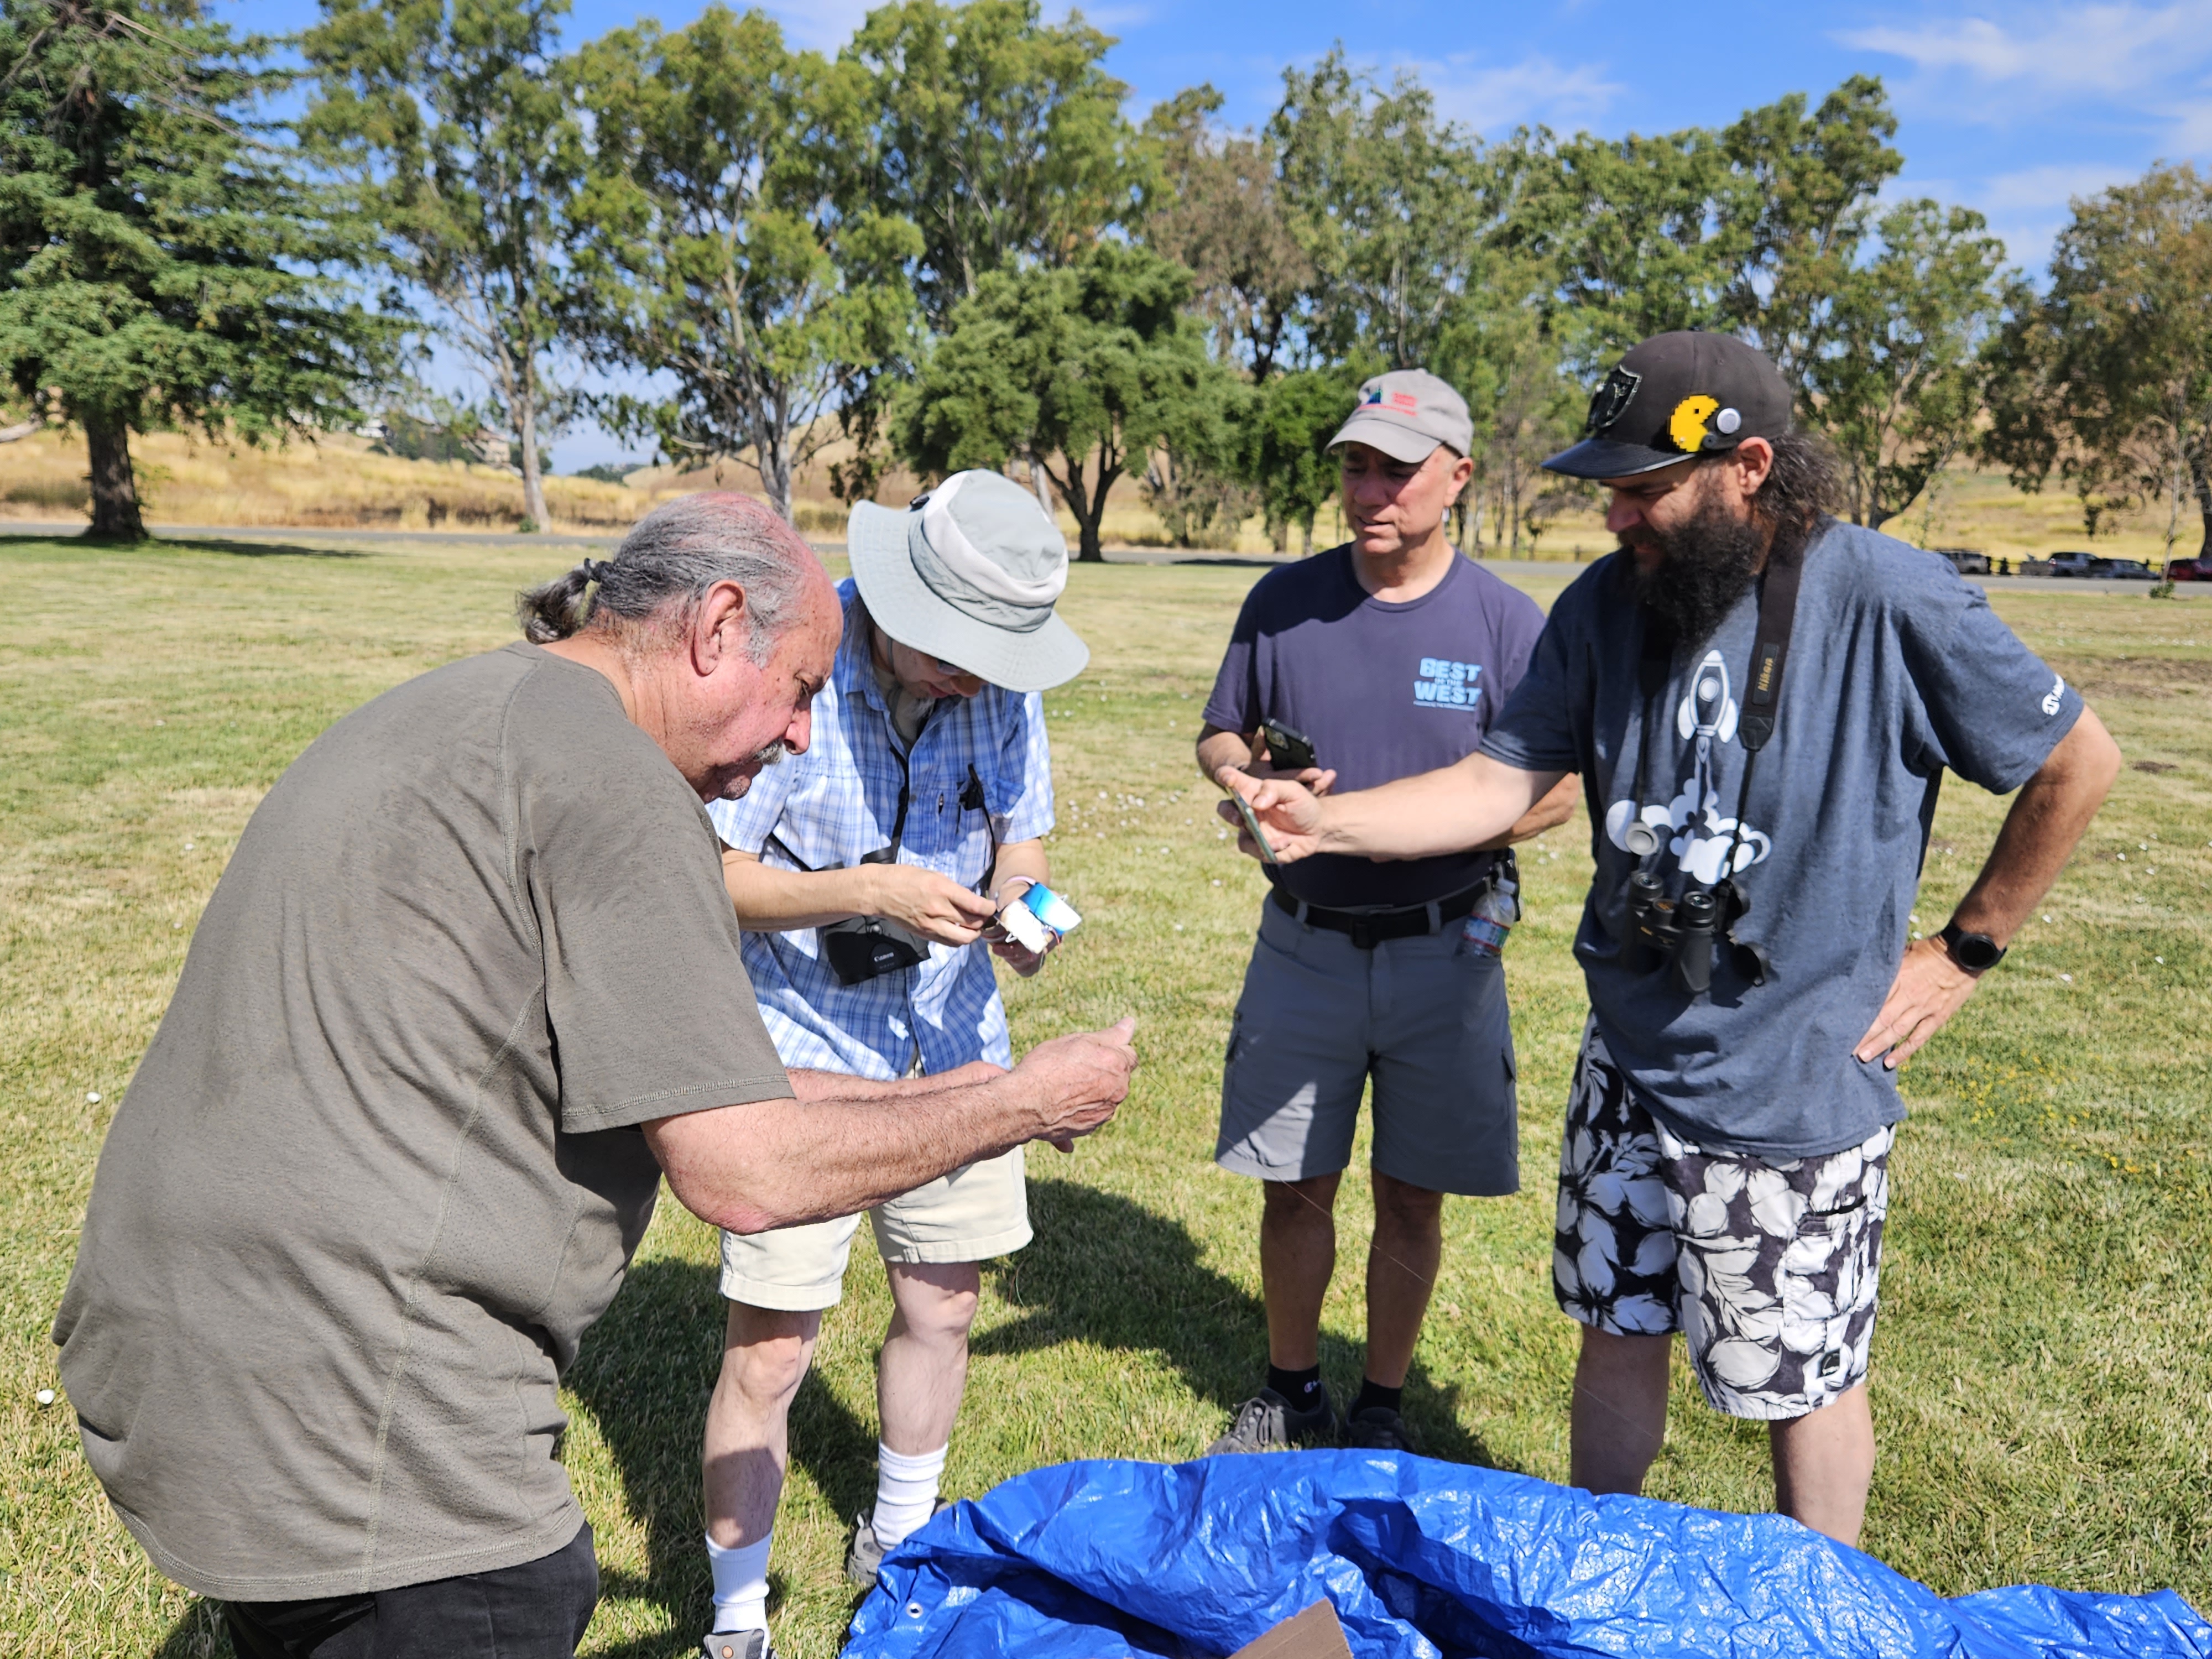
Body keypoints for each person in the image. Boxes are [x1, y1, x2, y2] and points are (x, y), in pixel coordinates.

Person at [50, 492, 1138, 1659]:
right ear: (717, 626)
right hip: (375, 1428)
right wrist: (1023, 1103)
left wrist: (974, 1097)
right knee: (511, 1598)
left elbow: (720, 1093)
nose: (802, 736)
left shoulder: (455, 706)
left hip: (193, 1363)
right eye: (799, 692)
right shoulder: (621, 788)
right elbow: (743, 1169)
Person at [1224, 332, 2119, 1545]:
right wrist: (1324, 820)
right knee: (1614, 1322)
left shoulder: (1883, 593)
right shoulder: (1603, 603)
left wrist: (1963, 952)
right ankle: (1601, 1573)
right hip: (1628, 1053)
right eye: (1610, 490)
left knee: (1801, 1375)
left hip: (1796, 1071)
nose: (1616, 518)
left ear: (1748, 468)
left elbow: (2077, 760)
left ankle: (1818, 1604)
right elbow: (1495, 784)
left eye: (1644, 490)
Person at [696, 472, 1088, 1656]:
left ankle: (901, 1550)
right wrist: (862, 892)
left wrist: (1021, 907)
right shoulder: (792, 666)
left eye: (994, 658)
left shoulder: (1001, 688)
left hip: (955, 1052)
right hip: (799, 1059)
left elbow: (1020, 834)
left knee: (942, 1308)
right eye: (958, 652)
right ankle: (736, 1616)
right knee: (771, 1349)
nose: (975, 678)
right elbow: (711, 875)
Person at [1195, 370, 1580, 1456]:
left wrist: (1420, 832)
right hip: (1302, 947)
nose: (1370, 491)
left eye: (1397, 471)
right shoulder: (1283, 602)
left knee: (1413, 1198)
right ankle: (1289, 1387)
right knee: (1293, 1189)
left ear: (1457, 478)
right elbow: (1222, 730)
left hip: (1445, 952)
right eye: (1357, 467)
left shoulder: (1506, 624)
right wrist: (1242, 779)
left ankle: (1381, 1405)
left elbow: (1557, 791)